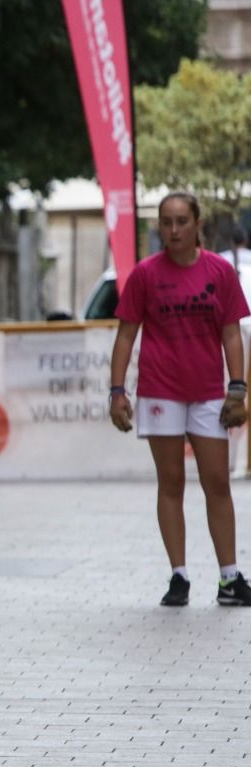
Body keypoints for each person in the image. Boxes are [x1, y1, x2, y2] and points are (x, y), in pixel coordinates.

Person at [109, 191, 251, 606]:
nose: (173, 230)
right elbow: (125, 335)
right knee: (170, 483)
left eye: (181, 222)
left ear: (197, 224)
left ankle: (229, 578)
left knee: (217, 483)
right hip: (160, 390)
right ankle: (179, 576)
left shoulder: (220, 272)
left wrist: (238, 387)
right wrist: (117, 391)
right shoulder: (145, 274)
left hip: (208, 392)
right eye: (166, 222)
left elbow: (231, 333)